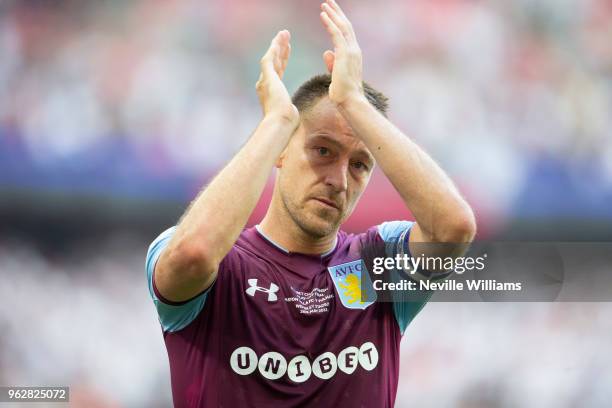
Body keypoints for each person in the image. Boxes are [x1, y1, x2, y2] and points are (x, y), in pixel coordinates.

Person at [145, 0, 476, 406]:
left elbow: (453, 227)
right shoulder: (218, 262)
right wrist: (276, 123)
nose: (339, 180)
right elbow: (192, 254)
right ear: (280, 151)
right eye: (322, 151)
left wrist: (356, 103)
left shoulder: (375, 264)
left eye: (359, 164)